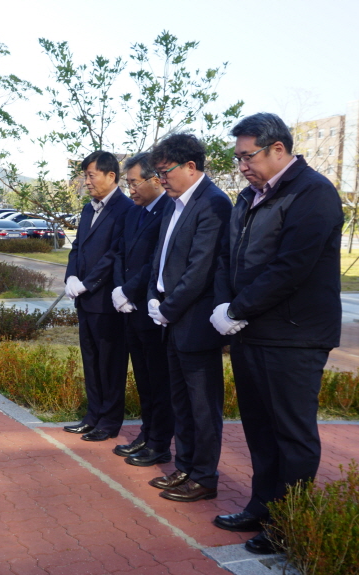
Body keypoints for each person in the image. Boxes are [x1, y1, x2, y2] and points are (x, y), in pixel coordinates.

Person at [210, 113, 343, 554]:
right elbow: (232, 259)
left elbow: (292, 268)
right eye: (238, 158)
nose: (242, 165)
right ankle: (262, 507)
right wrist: (227, 307)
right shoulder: (248, 197)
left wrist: (238, 308)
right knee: (260, 430)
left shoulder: (314, 193)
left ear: (278, 150)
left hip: (295, 335)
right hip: (252, 332)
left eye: (248, 156)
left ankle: (291, 524)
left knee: (291, 433)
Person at [146, 133, 232, 502]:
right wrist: (153, 294)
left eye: (165, 172)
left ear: (191, 166)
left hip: (194, 321)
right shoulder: (172, 204)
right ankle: (185, 466)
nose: (161, 179)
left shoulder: (214, 203)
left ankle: (204, 476)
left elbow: (200, 269)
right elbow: (160, 259)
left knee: (202, 405)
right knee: (180, 400)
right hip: (170, 317)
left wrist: (168, 308)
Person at [63, 151, 133, 442]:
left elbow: (115, 254)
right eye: (85, 176)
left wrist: (89, 283)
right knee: (90, 360)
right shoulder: (88, 209)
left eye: (91, 175)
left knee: (110, 363)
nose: (87, 182)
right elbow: (78, 246)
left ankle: (110, 420)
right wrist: (71, 276)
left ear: (110, 176)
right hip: (85, 299)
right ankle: (93, 415)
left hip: (108, 300)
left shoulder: (125, 209)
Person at [111, 153, 174, 466]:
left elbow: (155, 262)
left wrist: (130, 290)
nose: (131, 189)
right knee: (143, 379)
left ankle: (159, 441)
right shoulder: (135, 212)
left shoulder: (168, 210)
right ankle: (146, 434)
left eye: (135, 182)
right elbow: (122, 252)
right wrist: (120, 289)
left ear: (154, 180)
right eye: (128, 183)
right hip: (130, 309)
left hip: (151, 308)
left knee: (158, 379)